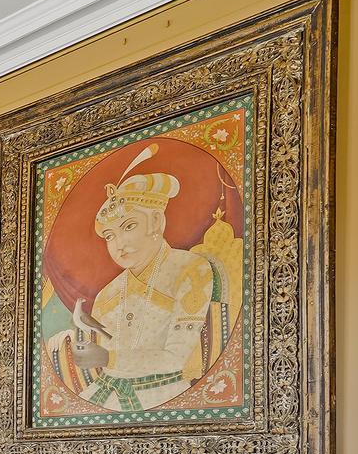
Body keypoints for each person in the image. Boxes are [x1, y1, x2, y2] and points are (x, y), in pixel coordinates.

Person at [46, 147, 228, 414]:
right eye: (110, 236)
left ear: (156, 221)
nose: (118, 244)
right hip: (106, 394)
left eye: (129, 226)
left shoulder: (190, 269)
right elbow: (106, 353)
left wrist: (108, 358)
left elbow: (176, 359)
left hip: (163, 393)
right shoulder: (108, 293)